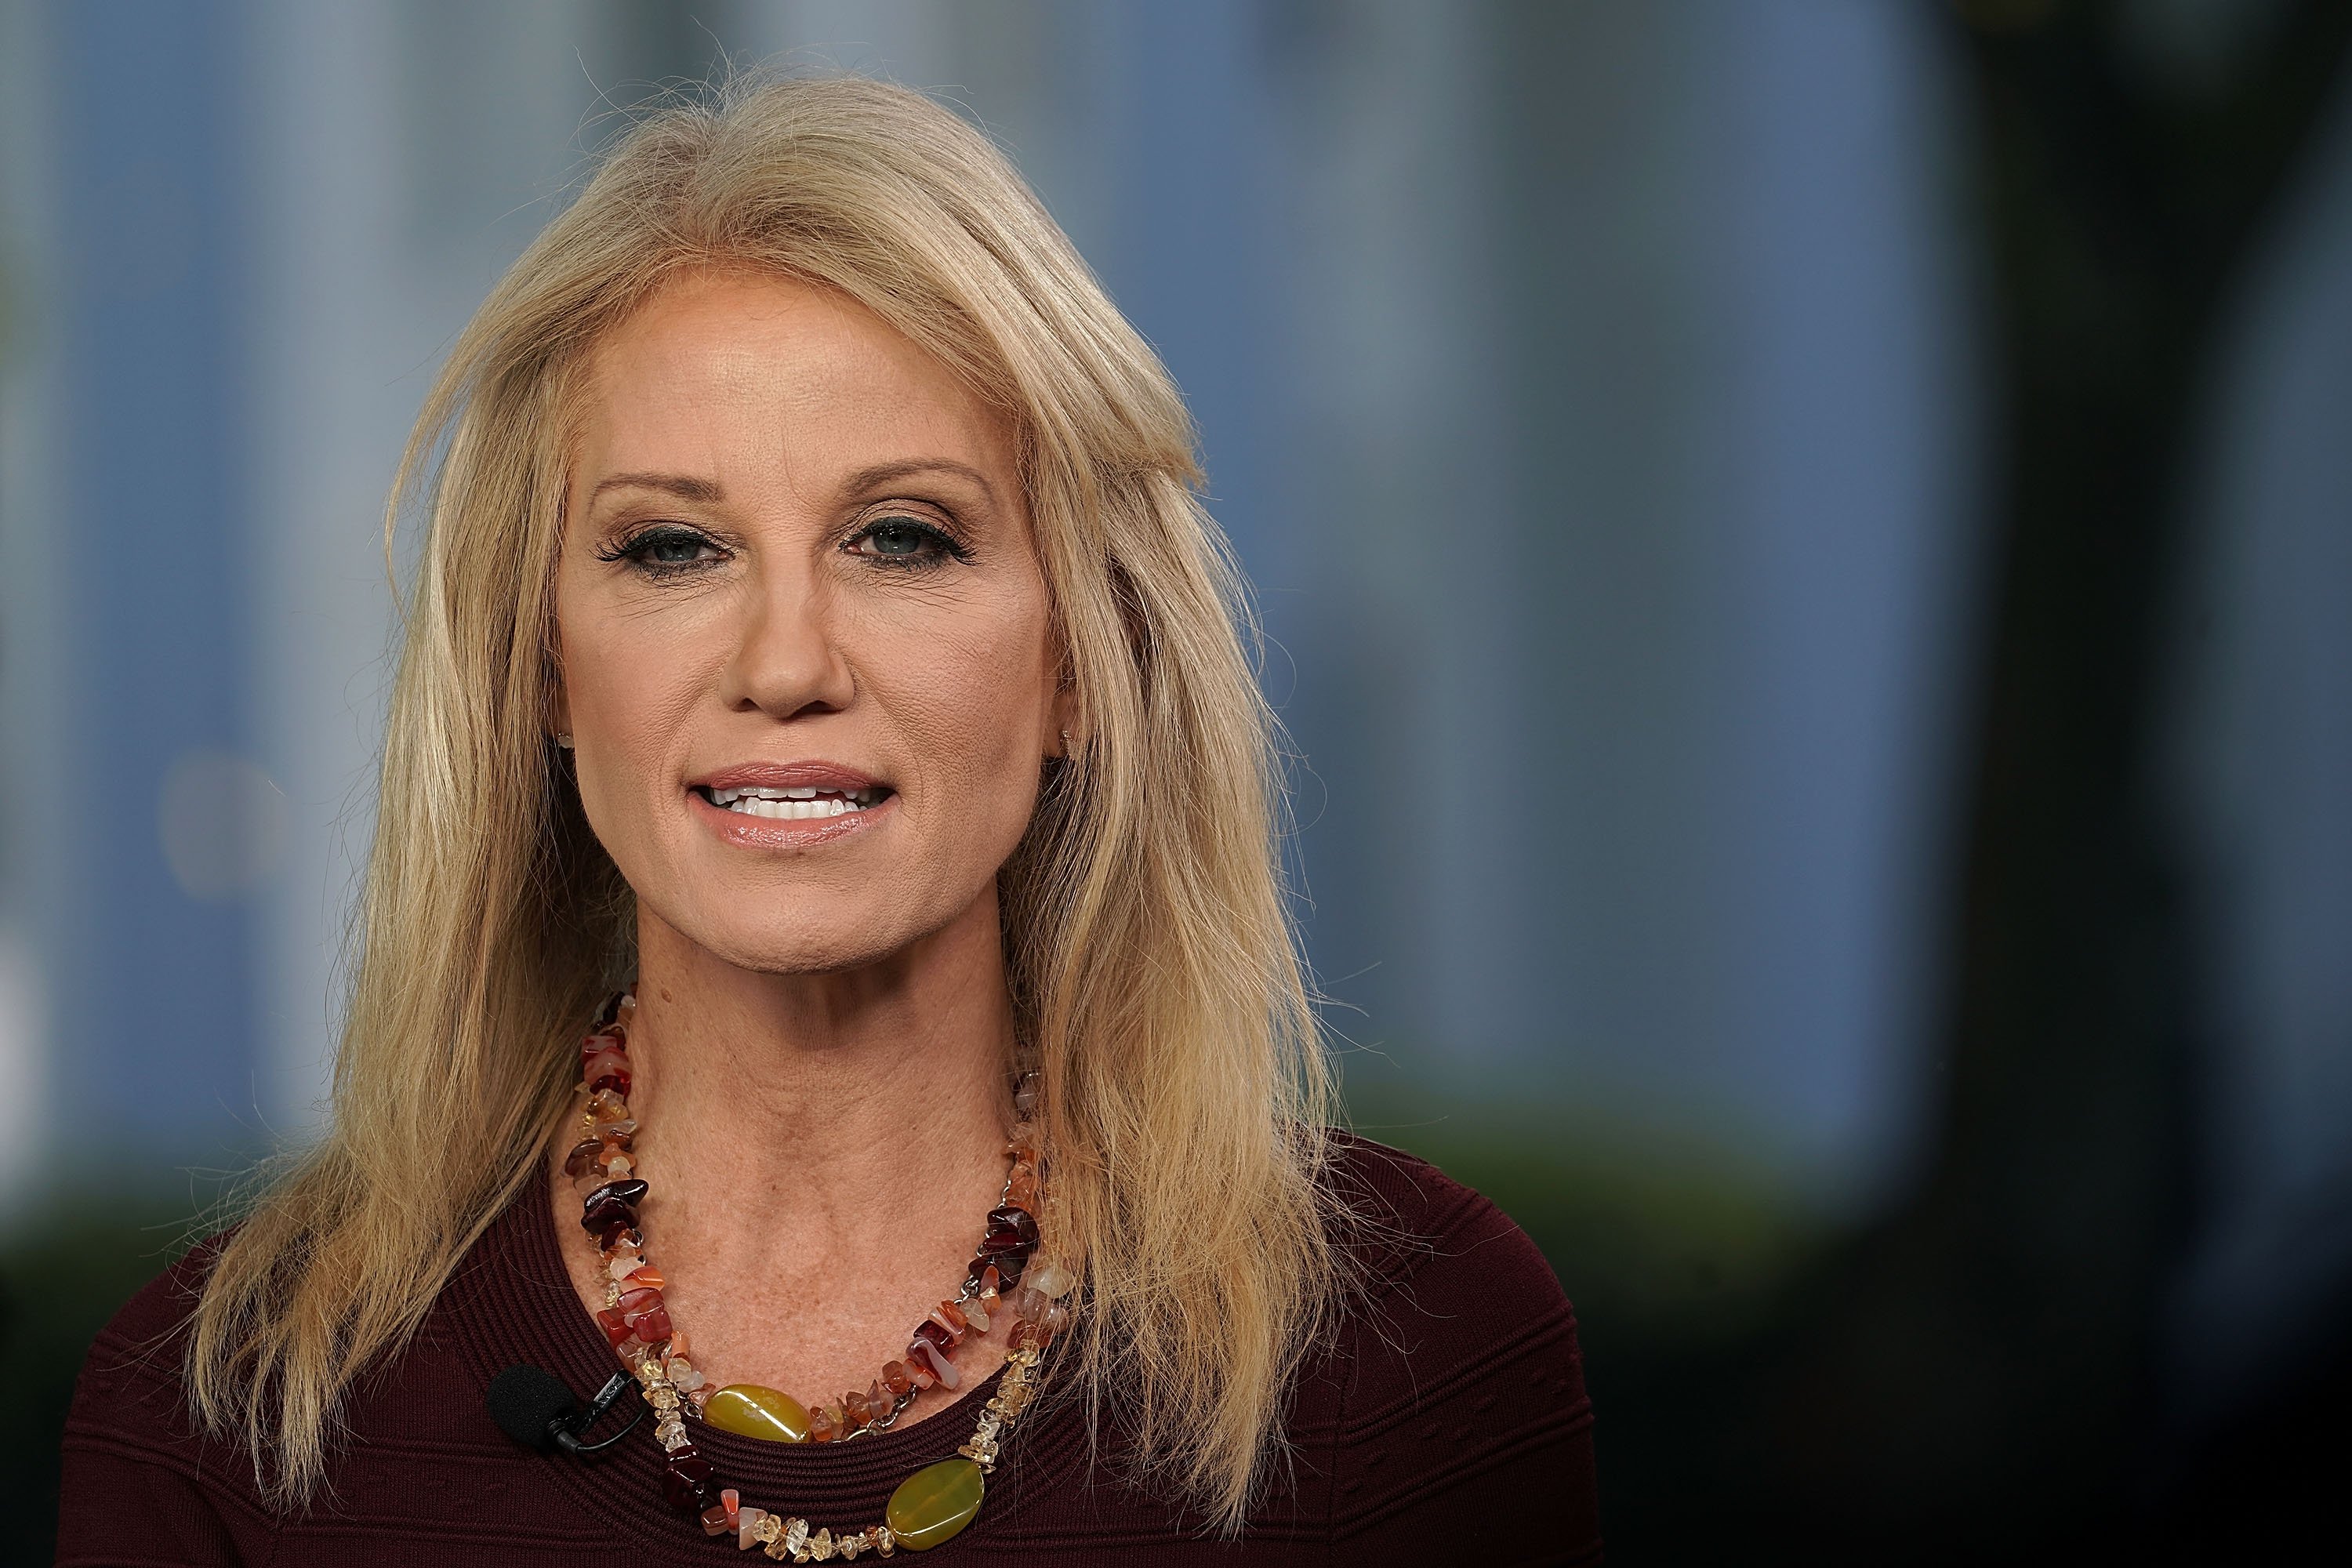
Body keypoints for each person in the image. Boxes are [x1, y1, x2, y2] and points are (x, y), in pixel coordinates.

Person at [57, 74, 1599, 1565]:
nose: (785, 662)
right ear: (545, 670)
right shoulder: (229, 1421)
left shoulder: (1414, 1359)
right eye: (671, 547)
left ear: (1082, 664)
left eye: (902, 536)